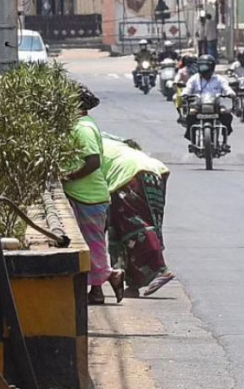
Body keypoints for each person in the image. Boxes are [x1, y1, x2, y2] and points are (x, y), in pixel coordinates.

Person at [62, 85, 124, 305]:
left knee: (93, 244)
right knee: (91, 243)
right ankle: (97, 289)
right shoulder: (81, 125)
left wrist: (68, 177)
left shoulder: (83, 128)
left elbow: (93, 161)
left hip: (88, 195)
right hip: (86, 195)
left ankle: (108, 277)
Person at [101, 134, 174, 298]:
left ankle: (160, 269)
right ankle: (132, 283)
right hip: (155, 171)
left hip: (130, 175)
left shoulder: (88, 140)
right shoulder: (113, 141)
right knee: (127, 230)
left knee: (135, 225)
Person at [182, 54, 235, 141]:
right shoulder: (194, 79)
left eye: (206, 66)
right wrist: (185, 94)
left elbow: (226, 88)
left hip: (215, 105)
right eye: (202, 66)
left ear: (212, 67)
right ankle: (190, 135)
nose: (204, 69)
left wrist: (230, 93)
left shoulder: (219, 79)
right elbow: (188, 88)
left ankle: (225, 136)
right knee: (190, 116)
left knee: (227, 115)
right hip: (198, 105)